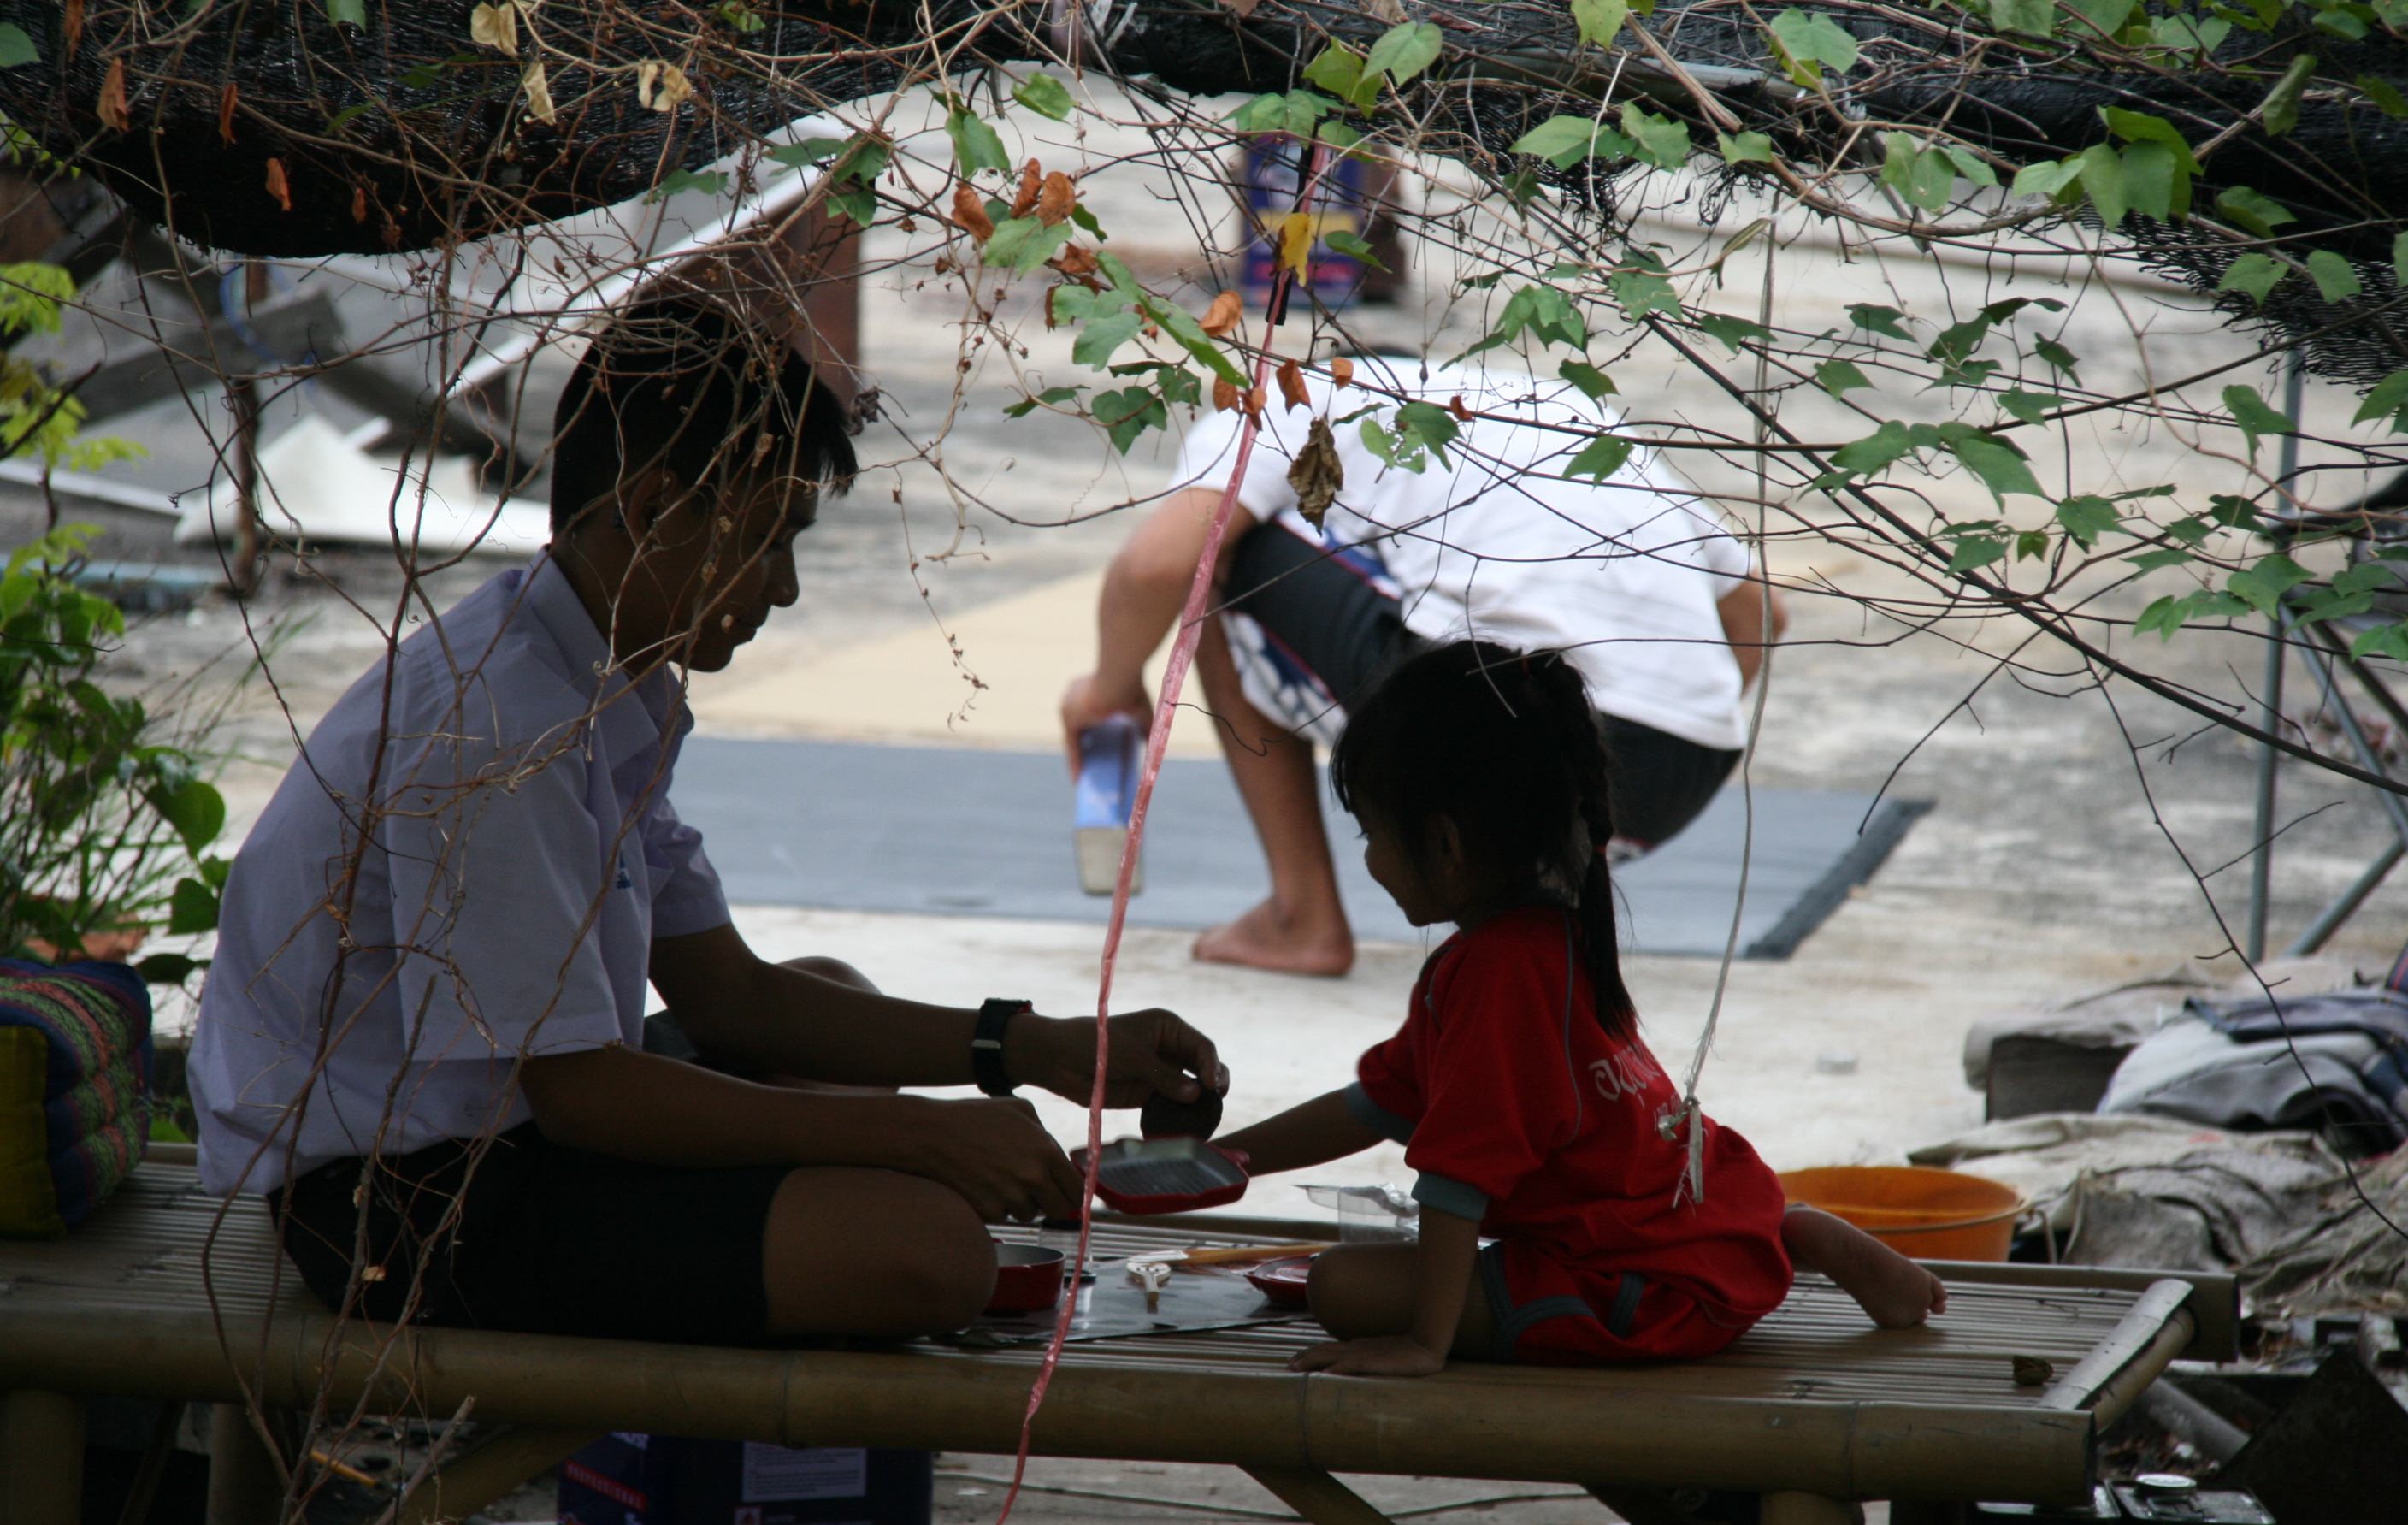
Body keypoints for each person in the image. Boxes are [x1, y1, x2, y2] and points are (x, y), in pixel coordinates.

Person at [187, 298, 1222, 1346]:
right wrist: (920, 1134)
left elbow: (729, 994)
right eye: (767, 537)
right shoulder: (499, 729)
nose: (785, 585)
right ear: (652, 507)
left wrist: (1037, 1045)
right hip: (395, 1199)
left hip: (511, 1123)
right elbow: (582, 1094)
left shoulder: (589, 675)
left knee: (834, 997)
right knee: (929, 1247)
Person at [1216, 641, 1942, 1375]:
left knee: (1341, 1285)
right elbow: (1377, 1103)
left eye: (1372, 833)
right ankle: (1788, 1232)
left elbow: (1457, 1179)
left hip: (1644, 1293)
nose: (1370, 858)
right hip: (1711, 1225)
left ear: (1444, 842)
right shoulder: (1555, 931)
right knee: (1366, 1271)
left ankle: (1783, 1237)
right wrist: (1220, 1161)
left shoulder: (1495, 973)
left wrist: (1424, 1343)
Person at [1061, 356, 1789, 977]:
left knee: (1224, 553)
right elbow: (1760, 615)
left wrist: (1108, 692)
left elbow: (1159, 567)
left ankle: (1301, 916)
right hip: (1676, 779)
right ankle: (1539, 878)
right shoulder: (1572, 411)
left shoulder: (1293, 396)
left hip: (1491, 755)